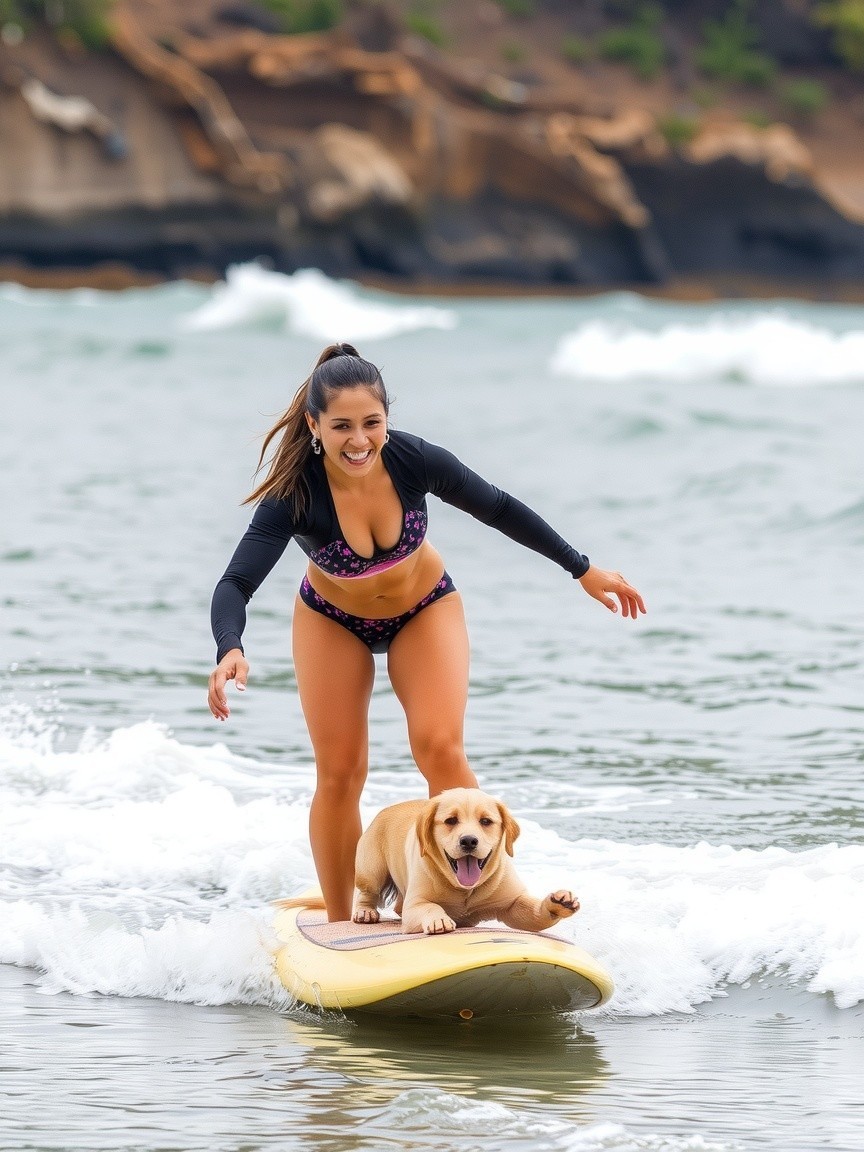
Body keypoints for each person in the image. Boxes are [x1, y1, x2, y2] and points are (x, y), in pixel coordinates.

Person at [209, 343, 645, 921]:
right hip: (331, 620)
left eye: (372, 423)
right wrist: (230, 647)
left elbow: (499, 507)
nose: (359, 440)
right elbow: (236, 582)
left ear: (388, 418)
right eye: (341, 426)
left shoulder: (414, 460)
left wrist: (581, 568)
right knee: (340, 771)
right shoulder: (296, 495)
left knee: (439, 747)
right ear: (314, 425)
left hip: (424, 608)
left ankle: (493, 901)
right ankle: (343, 922)